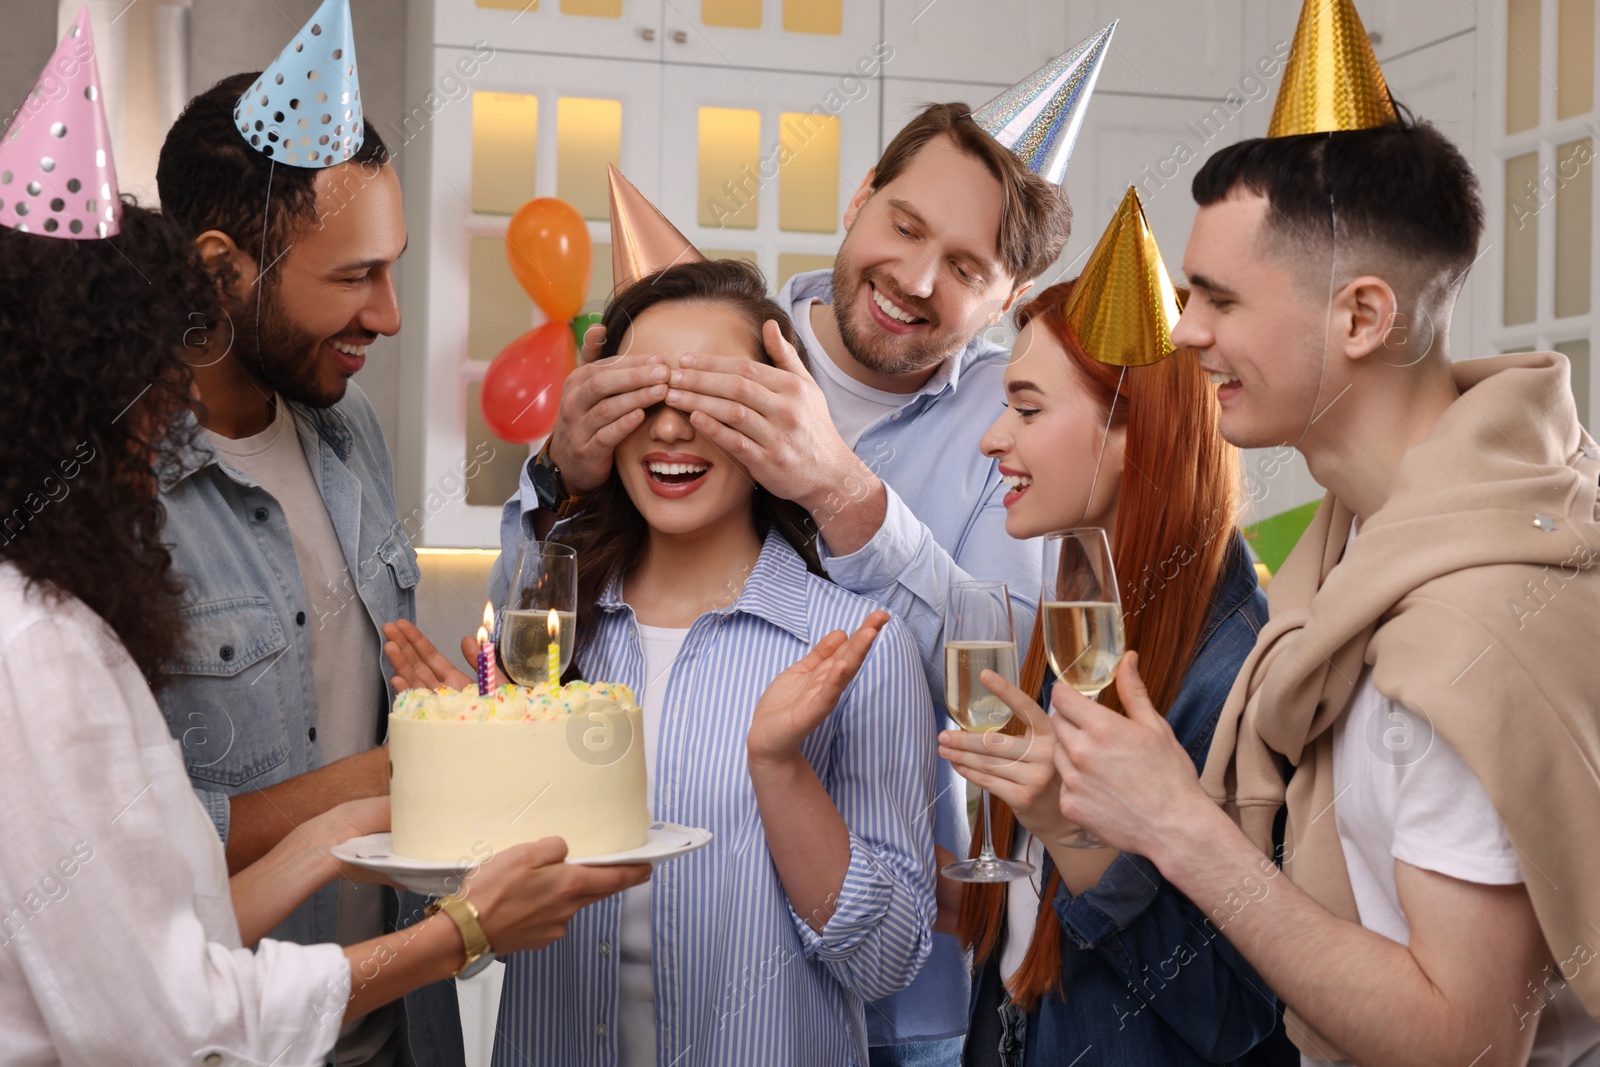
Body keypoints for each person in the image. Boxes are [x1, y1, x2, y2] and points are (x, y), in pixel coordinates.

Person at [1039, 3, 1600, 1064]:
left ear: (1360, 316)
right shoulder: (1363, 547)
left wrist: (1178, 824)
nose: (1182, 332)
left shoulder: (1465, 627)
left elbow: (1463, 1041)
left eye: (1216, 300)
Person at [499, 87, 1087, 1063]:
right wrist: (562, 472)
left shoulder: (1011, 417)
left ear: (1008, 297)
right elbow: (526, 632)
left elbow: (1015, 683)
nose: (914, 275)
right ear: (860, 196)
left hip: (918, 969)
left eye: (966, 266)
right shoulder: (715, 331)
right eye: (903, 224)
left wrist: (848, 495)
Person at [0, 194, 649, 1066]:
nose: (172, 407)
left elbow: (167, 927)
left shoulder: (56, 614)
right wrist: (461, 930)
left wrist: (336, 835)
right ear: (70, 399)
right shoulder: (36, 650)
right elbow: (178, 1025)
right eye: (154, 375)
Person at [390, 258, 939, 1064]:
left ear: (779, 421)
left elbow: (886, 960)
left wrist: (779, 768)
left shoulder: (856, 648)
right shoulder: (548, 641)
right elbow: (491, 939)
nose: (671, 428)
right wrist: (483, 760)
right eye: (641, 397)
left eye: (711, 400)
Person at [152, 5, 458, 1059]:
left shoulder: (349, 429)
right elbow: (117, 842)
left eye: (393, 267)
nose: (391, 314)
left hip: (398, 1021)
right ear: (221, 266)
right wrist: (392, 770)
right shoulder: (101, 501)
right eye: (352, 277)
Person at [936, 190, 1282, 1064]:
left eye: (1025, 407)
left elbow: (1233, 1016)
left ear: (1133, 433)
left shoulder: (1237, 671)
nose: (991, 438)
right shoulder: (1079, 624)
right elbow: (1026, 937)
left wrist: (1066, 825)